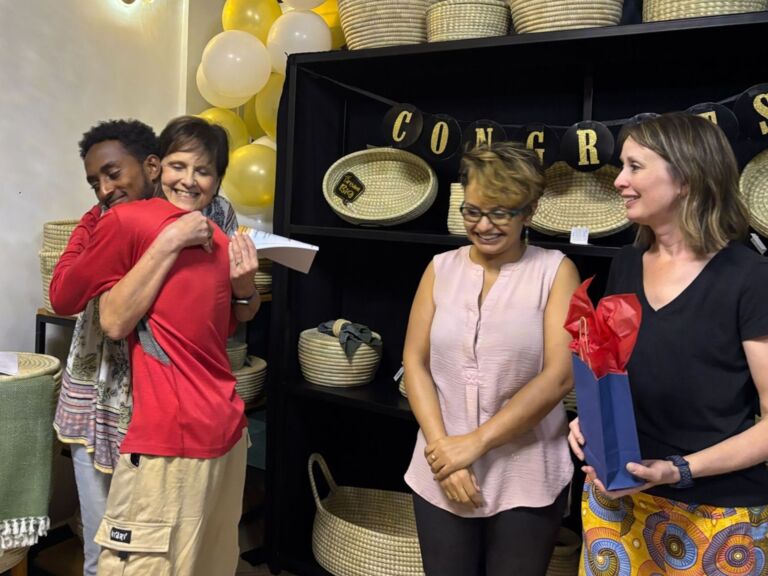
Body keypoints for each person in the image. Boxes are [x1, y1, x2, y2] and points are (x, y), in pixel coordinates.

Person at [50, 115, 260, 575]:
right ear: (160, 166)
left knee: (131, 558)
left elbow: (220, 320)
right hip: (133, 404)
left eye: (202, 170)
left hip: (167, 422)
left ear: (149, 165)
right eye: (179, 166)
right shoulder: (128, 221)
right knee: (175, 555)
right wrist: (161, 239)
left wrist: (246, 288)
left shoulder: (207, 228)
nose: (105, 189)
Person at [568, 112, 768, 575]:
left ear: (687, 177)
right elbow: (615, 374)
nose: (619, 181)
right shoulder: (626, 263)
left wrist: (678, 470)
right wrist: (590, 421)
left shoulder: (750, 278)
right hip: (617, 504)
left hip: (716, 517)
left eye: (634, 167)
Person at [403, 141, 580, 575]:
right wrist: (445, 454)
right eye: (472, 211)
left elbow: (559, 377)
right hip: (440, 466)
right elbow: (415, 362)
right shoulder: (440, 268)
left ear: (529, 212)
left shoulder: (555, 271)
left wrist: (474, 444)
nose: (483, 226)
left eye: (499, 213)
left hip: (526, 471)